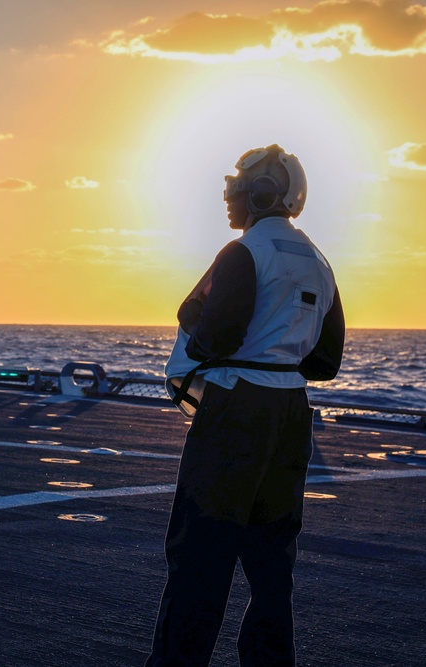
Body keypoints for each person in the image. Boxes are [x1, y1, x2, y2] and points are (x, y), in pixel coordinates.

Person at [146, 144, 345, 666]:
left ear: (262, 193)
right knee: (273, 562)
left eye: (238, 187)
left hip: (236, 411)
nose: (230, 196)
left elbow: (218, 334)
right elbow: (325, 362)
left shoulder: (242, 253)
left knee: (199, 558)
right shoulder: (319, 261)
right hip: (290, 414)